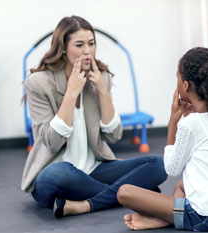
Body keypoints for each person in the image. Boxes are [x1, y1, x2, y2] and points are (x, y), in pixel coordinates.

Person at [21, 15, 167, 218]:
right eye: (79, 45)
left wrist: (101, 88)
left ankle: (86, 204)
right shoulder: (38, 83)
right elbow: (52, 142)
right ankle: (133, 194)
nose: (87, 51)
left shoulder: (101, 77)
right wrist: (72, 92)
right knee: (58, 174)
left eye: (91, 43)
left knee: (159, 165)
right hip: (55, 171)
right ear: (63, 47)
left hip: (95, 169)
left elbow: (113, 136)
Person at [117, 47, 208, 231]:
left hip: (206, 217)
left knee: (125, 192)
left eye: (177, 77)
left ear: (184, 85)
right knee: (182, 186)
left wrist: (173, 122)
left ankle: (166, 218)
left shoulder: (190, 124)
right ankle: (167, 218)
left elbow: (171, 167)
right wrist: (187, 119)